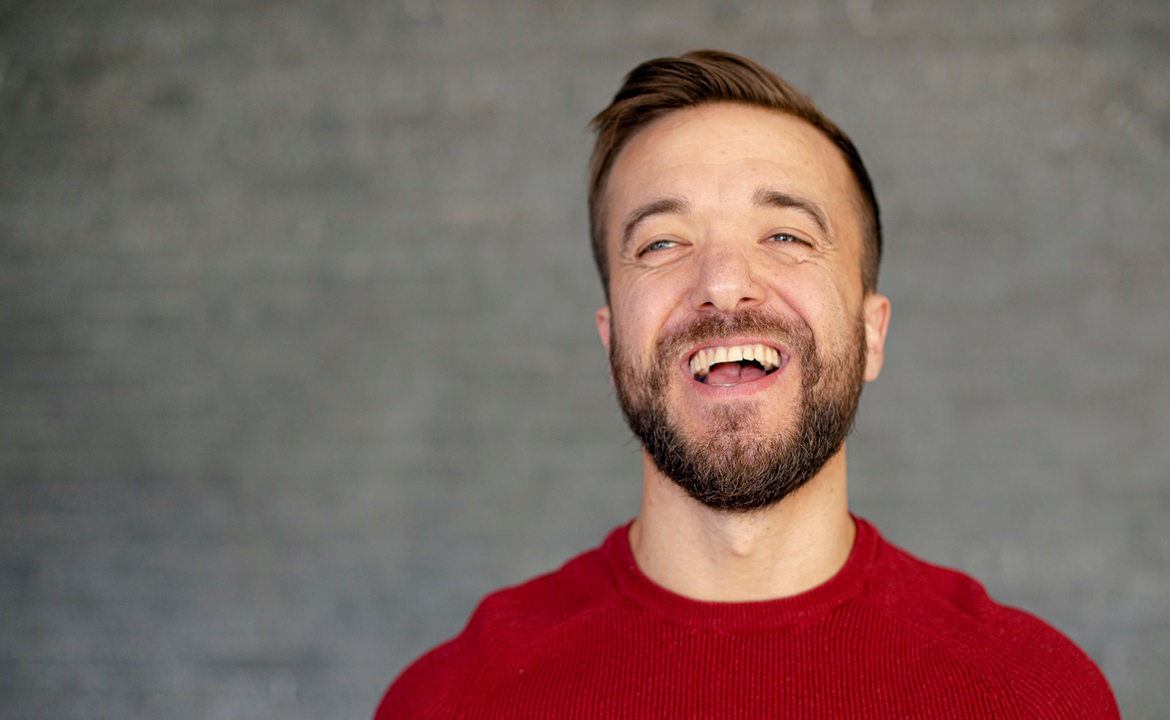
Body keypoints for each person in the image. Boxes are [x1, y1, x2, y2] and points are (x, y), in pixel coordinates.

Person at [375, 50, 1120, 719]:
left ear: (871, 333)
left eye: (787, 236)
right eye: (662, 243)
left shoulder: (1031, 697)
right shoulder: (453, 701)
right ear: (612, 340)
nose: (725, 284)